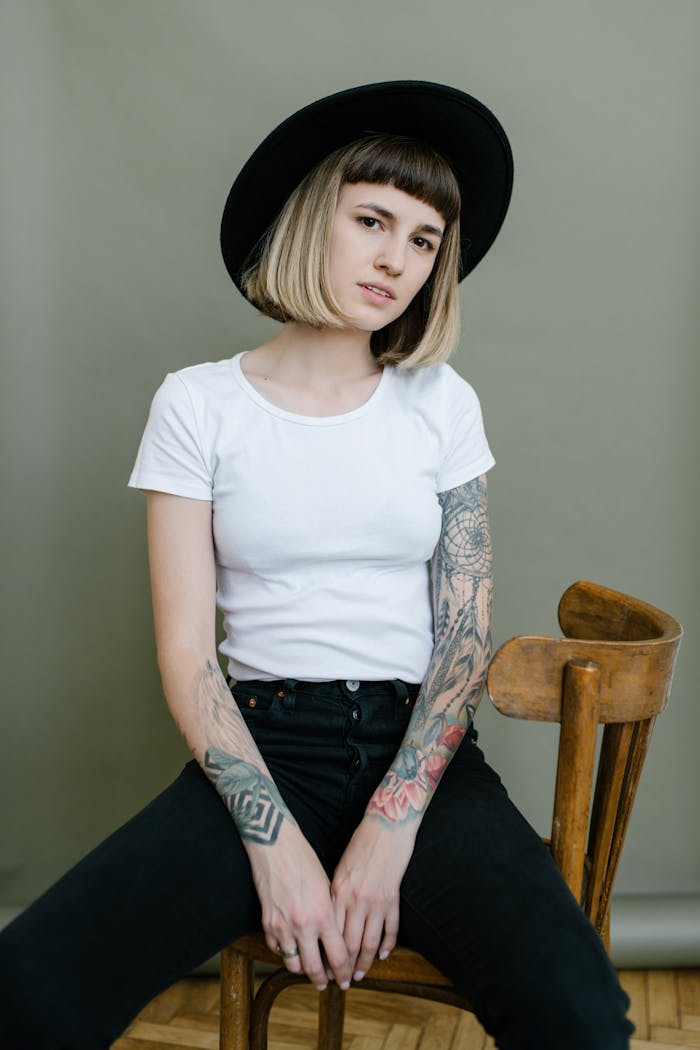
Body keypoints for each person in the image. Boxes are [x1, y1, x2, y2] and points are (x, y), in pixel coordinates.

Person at [0, 80, 635, 1049]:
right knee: (29, 992)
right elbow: (185, 653)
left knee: (581, 1018)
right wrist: (274, 843)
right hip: (262, 743)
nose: (395, 258)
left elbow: (463, 639)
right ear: (309, 221)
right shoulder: (196, 405)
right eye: (372, 220)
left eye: (423, 240)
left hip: (421, 752)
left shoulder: (440, 401)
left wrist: (389, 824)